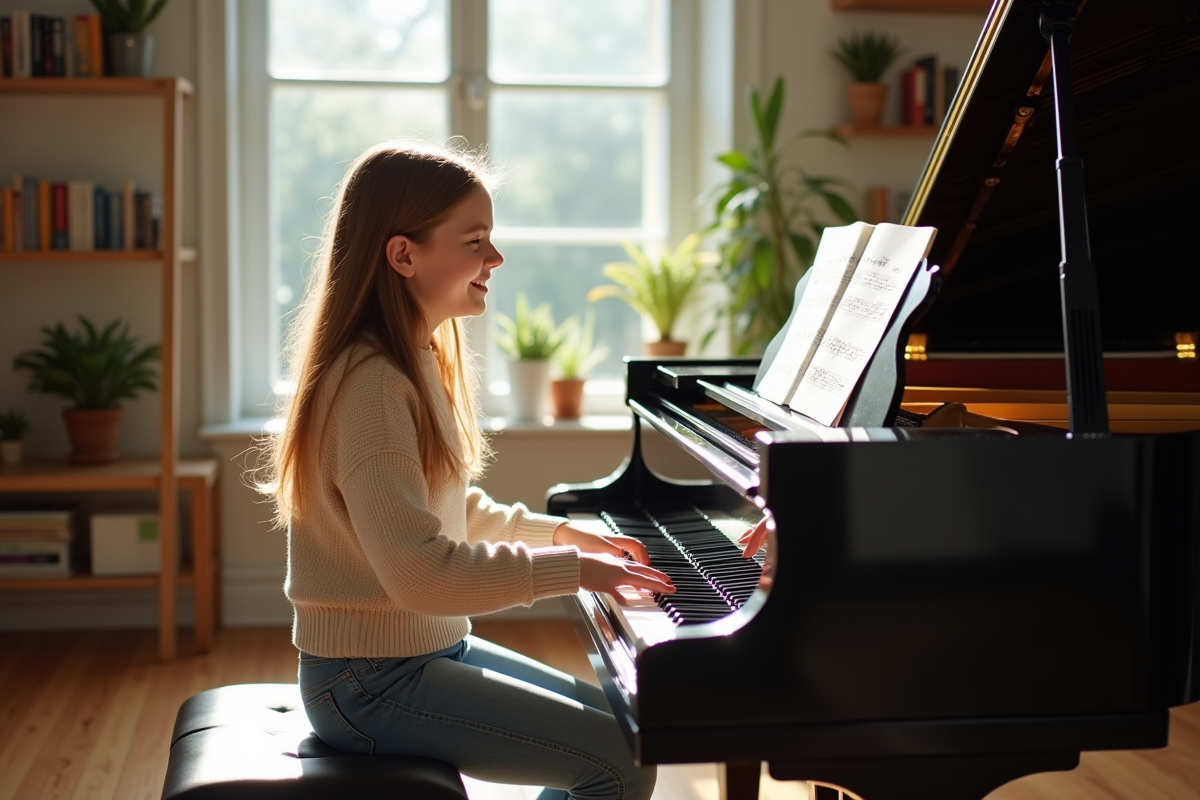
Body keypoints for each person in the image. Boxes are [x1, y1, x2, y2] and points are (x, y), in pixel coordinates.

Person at [258, 141, 679, 800]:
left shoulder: (411, 360)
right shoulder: (370, 384)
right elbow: (422, 570)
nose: (495, 259)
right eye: (476, 240)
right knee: (619, 765)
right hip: (367, 680)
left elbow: (448, 513)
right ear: (403, 255)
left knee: (628, 736)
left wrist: (566, 537)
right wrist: (574, 573)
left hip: (419, 654)